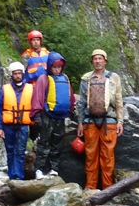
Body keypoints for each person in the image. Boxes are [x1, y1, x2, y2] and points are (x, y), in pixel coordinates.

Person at [75, 49, 123, 190]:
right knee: (90, 156)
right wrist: (80, 122)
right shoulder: (86, 79)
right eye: (95, 59)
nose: (97, 61)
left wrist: (120, 121)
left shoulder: (114, 78)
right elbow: (82, 102)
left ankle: (108, 189)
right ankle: (90, 189)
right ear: (92, 61)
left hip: (109, 121)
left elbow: (119, 100)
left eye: (100, 58)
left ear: (105, 61)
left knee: (107, 156)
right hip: (89, 122)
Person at [30, 51, 75, 178]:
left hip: (61, 116)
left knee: (58, 143)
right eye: (54, 67)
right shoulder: (43, 79)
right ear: (49, 67)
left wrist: (71, 110)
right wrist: (36, 114)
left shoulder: (65, 78)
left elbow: (70, 95)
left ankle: (54, 169)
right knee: (44, 142)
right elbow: (38, 96)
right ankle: (39, 169)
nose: (56, 70)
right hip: (47, 114)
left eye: (59, 67)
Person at [0, 61, 33, 180]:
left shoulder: (30, 88)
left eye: (19, 73)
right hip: (8, 126)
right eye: (15, 73)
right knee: (10, 151)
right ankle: (12, 176)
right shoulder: (4, 89)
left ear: (22, 74)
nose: (17, 76)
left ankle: (19, 177)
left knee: (20, 152)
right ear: (12, 75)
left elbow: (35, 106)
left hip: (23, 125)